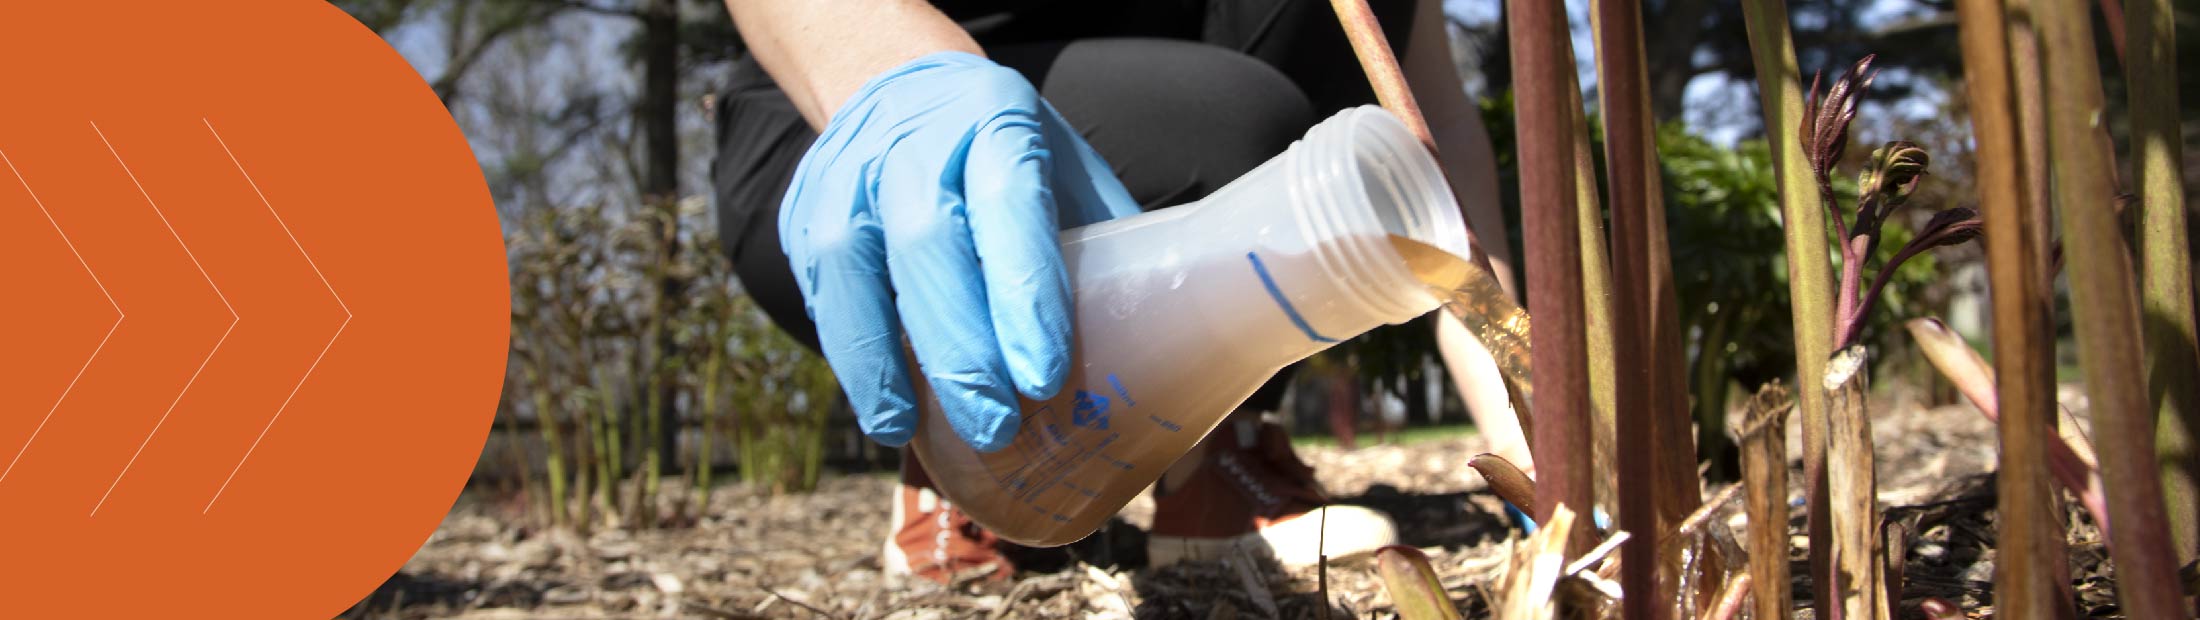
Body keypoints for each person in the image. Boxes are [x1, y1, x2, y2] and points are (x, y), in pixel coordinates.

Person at [711, 0, 1531, 584]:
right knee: (1225, 119)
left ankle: (1212, 459)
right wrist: (887, 80)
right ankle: (962, 430)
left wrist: (1527, 416)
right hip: (845, 115)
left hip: (1177, 130)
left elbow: (1434, 137)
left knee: (1293, 58)